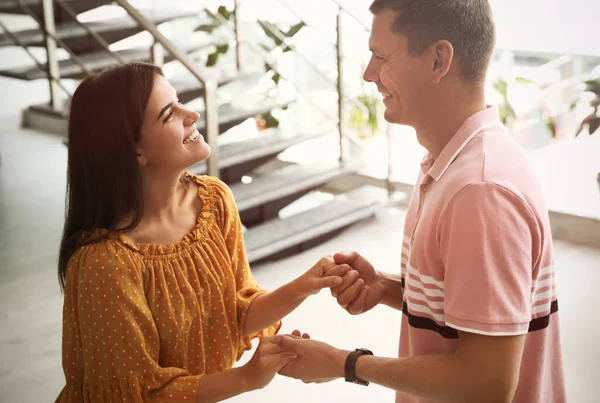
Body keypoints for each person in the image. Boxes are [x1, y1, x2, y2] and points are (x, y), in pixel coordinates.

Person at [276, 1, 566, 402]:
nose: (368, 74)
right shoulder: (450, 162)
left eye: (380, 56)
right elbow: (468, 312)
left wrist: (343, 362)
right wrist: (385, 287)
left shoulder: (479, 191)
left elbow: (487, 383)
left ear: (438, 60)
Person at [54, 62, 348, 402]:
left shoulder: (213, 201)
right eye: (169, 114)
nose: (191, 114)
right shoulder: (104, 264)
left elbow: (233, 316)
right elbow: (136, 395)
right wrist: (247, 377)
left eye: (179, 101)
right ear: (134, 151)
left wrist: (304, 286)